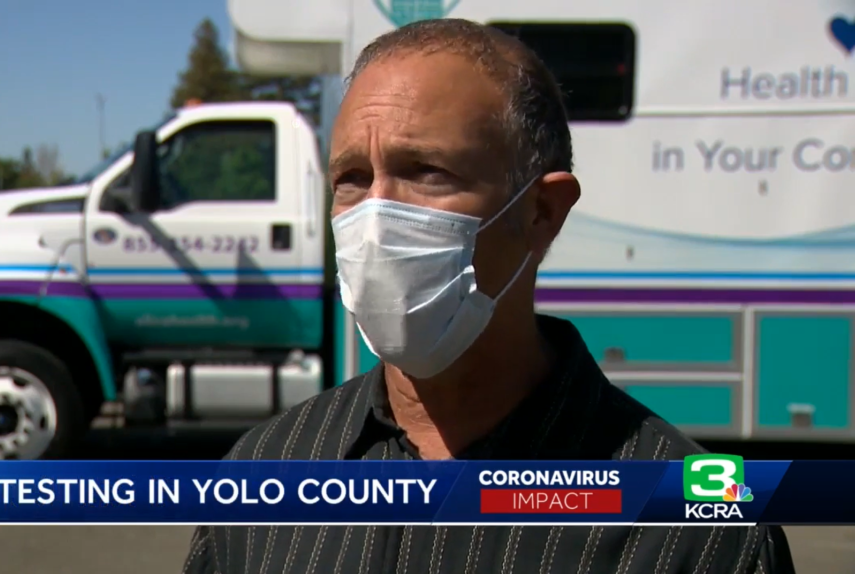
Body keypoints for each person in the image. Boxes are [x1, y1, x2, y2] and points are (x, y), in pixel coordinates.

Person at [182, 18, 795, 574]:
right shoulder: (265, 472)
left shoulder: (699, 534)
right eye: (352, 179)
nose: (375, 218)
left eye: (427, 172)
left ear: (542, 213)